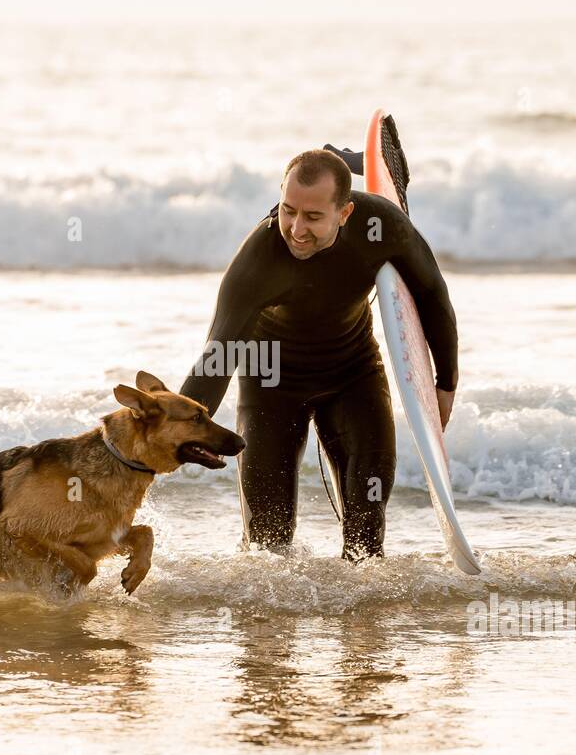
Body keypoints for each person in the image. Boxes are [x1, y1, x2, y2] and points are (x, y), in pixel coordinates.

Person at [179, 147, 459, 560]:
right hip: (269, 383)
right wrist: (183, 428)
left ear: (344, 214)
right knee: (266, 549)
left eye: (312, 217)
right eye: (288, 211)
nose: (295, 229)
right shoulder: (258, 260)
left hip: (353, 373)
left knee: (366, 538)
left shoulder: (380, 226)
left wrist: (445, 383)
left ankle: (364, 624)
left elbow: (432, 296)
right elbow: (220, 352)